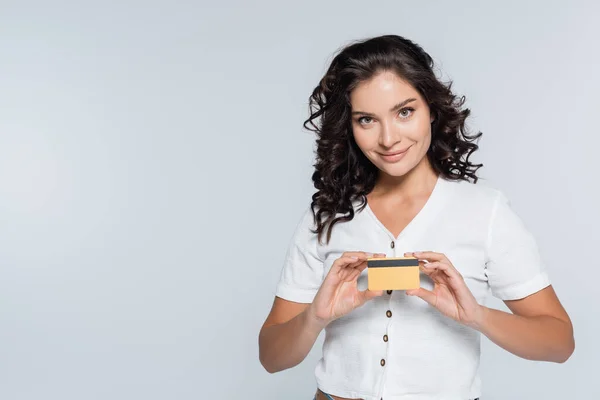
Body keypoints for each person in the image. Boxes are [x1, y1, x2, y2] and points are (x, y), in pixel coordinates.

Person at [258, 34, 574, 400]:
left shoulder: (484, 213)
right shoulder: (329, 217)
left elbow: (559, 343)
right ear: (349, 127)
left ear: (431, 108)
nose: (389, 138)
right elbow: (271, 356)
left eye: (404, 111)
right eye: (366, 120)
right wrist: (315, 317)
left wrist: (477, 316)